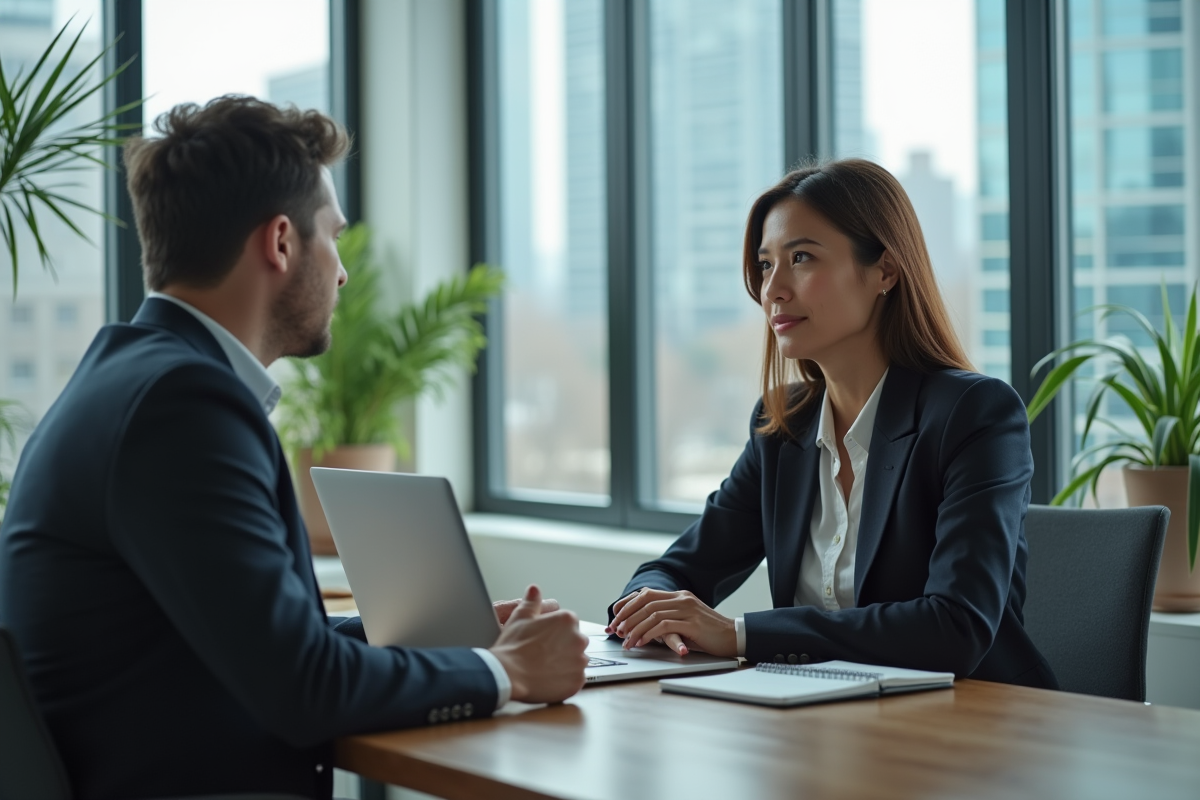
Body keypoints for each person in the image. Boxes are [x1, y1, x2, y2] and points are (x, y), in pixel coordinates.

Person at [0, 96, 588, 800]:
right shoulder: (182, 406)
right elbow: (303, 687)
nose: (341, 272)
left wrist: (437, 640)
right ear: (280, 242)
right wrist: (510, 673)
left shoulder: (132, 377)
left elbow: (258, 640)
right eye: (332, 236)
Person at [607, 159, 1057, 689]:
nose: (773, 290)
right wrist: (648, 608)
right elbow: (681, 568)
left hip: (974, 731)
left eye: (801, 258)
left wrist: (740, 633)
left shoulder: (975, 415)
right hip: (820, 723)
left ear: (885, 271)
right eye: (766, 264)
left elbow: (954, 628)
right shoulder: (783, 426)